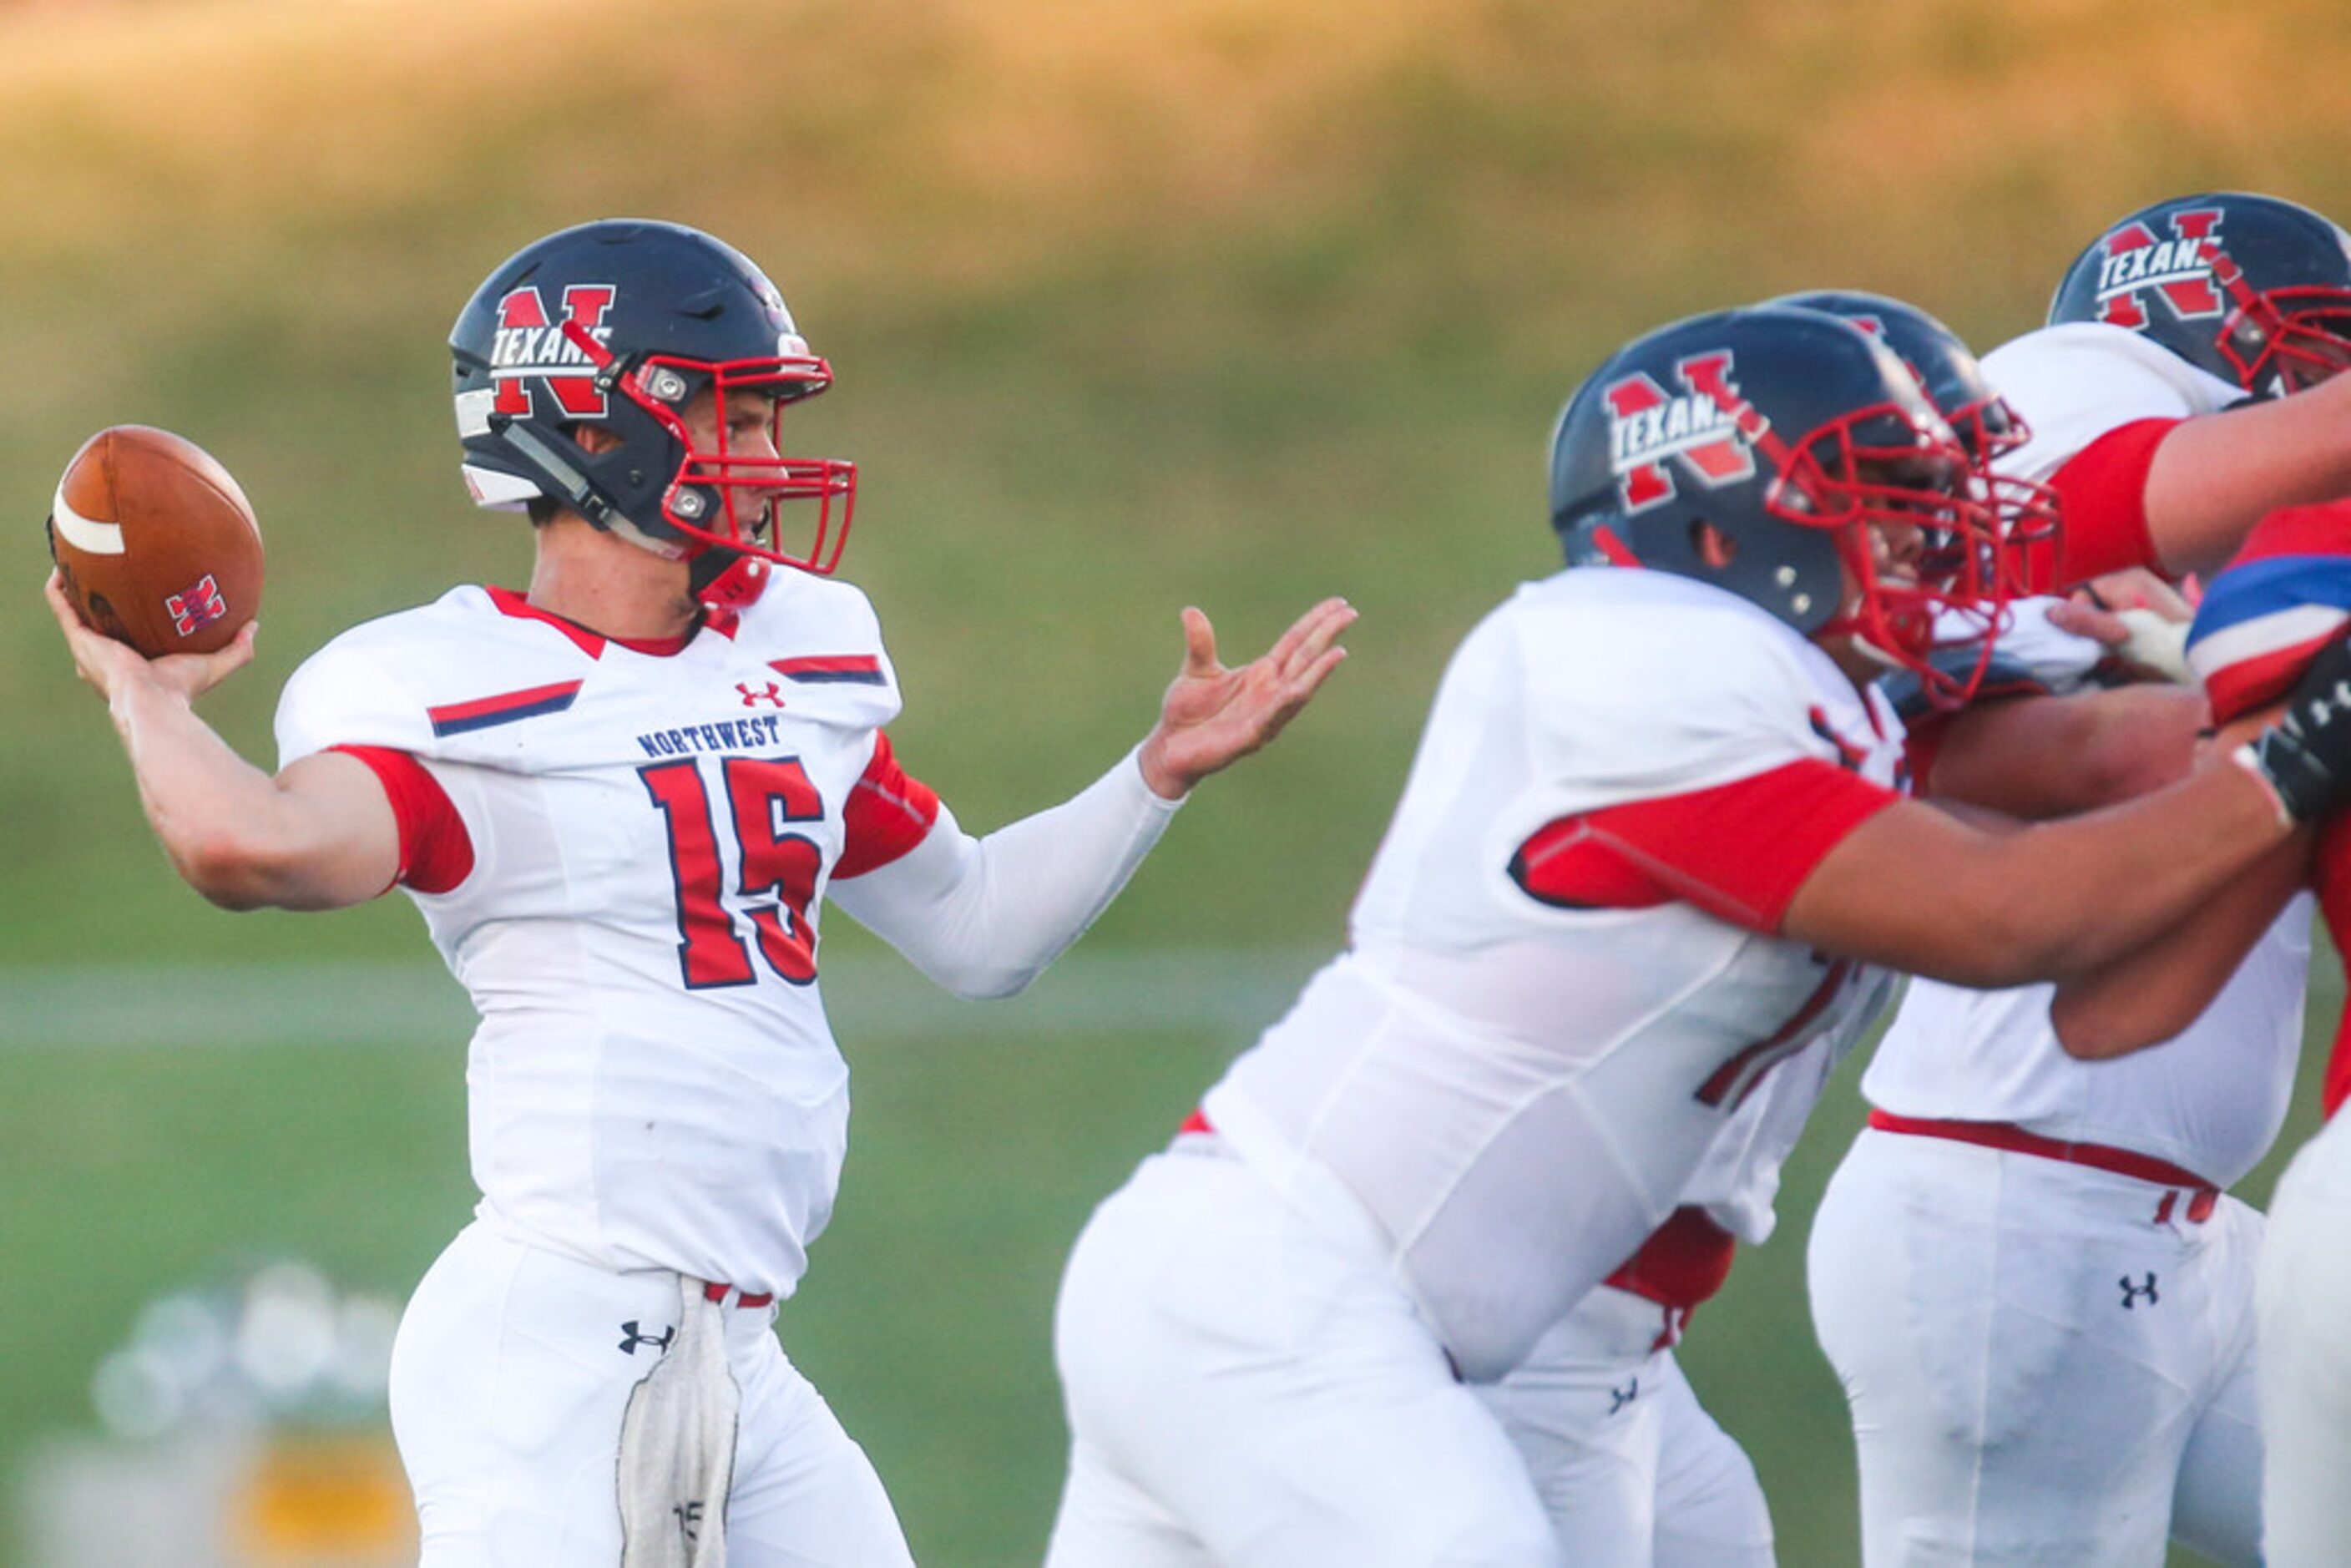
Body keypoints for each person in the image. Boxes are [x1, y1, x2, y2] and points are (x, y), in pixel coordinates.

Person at [43, 217, 1355, 1566]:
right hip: (553, 1350)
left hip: (736, 1348)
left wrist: (1154, 773)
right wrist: (143, 693)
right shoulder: (456, 693)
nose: (770, 461)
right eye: (731, 413)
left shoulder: (791, 657)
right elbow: (248, 846)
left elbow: (978, 931)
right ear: (599, 428)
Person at [1042, 300, 2351, 1568]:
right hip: (1285, 1295)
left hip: (1437, 1330)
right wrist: (2293, 748)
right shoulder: (1636, 662)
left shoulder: (1807, 683)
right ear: (1725, 528)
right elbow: (1998, 915)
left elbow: (2094, 746)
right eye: (1895, 511)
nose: (1945, 554)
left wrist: (2247, 678)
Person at [1807, 192, 2351, 1567]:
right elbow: (2129, 498)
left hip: (2167, 1226)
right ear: (2223, 331)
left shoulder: (2253, 576)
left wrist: (2217, 659)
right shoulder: (2064, 391)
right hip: (2022, 1200)